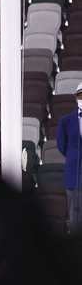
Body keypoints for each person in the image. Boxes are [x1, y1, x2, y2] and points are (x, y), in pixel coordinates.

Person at [56, 82, 82, 231]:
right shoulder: (65, 121)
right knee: (74, 213)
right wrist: (74, 155)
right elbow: (61, 144)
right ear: (75, 97)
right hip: (73, 173)